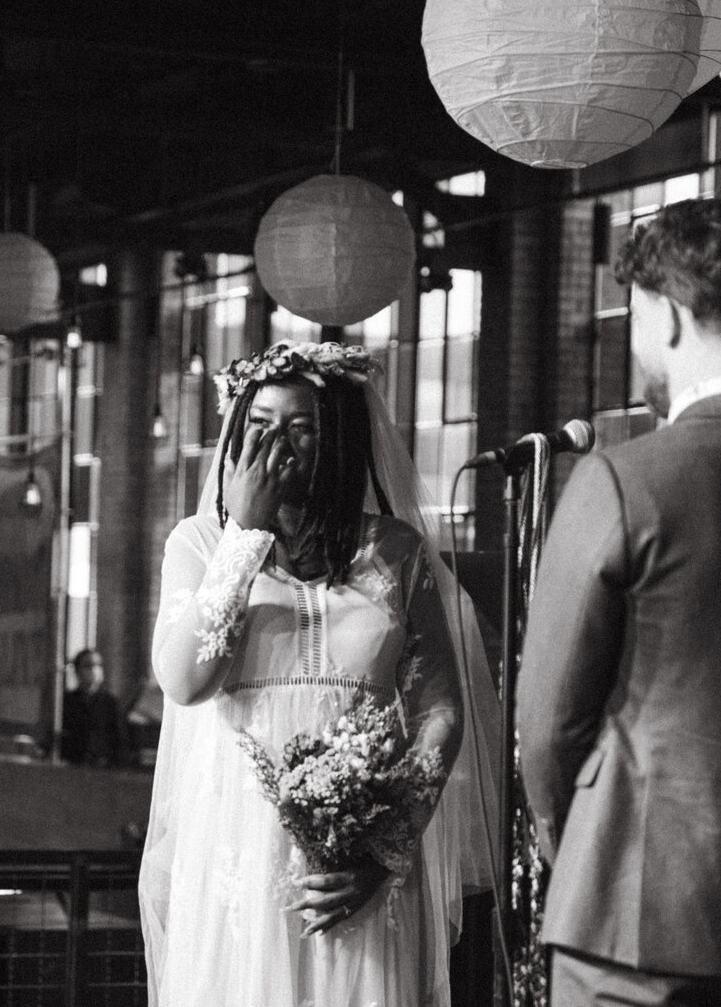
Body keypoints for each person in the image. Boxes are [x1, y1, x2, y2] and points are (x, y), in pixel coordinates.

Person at [139, 340, 499, 1007]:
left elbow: (439, 715)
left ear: (337, 440)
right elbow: (185, 679)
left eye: (301, 428)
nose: (277, 444)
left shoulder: (393, 551)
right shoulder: (198, 544)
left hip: (363, 851)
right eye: (260, 425)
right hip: (237, 854)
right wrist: (243, 535)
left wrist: (382, 848)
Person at [517, 197, 721, 1006]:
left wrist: (584, 856)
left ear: (667, 314)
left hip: (636, 919)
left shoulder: (627, 480)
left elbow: (549, 721)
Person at [61, 648, 121, 767]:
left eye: (98, 665)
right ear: (77, 671)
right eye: (88, 666)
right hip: (73, 765)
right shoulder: (67, 701)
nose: (94, 670)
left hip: (103, 767)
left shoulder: (110, 703)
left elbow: (119, 738)